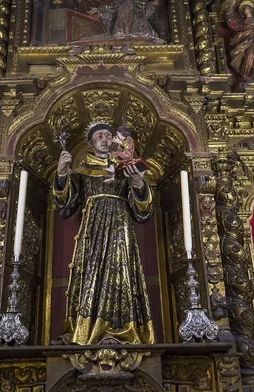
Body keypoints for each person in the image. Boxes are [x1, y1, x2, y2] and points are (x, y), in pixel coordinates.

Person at [52, 120, 155, 345]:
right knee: (91, 272)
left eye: (109, 136)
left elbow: (143, 210)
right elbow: (65, 204)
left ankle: (120, 328)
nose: (105, 140)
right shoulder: (82, 171)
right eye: (100, 136)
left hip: (120, 227)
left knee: (120, 272)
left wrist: (137, 180)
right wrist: (61, 172)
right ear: (90, 142)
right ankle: (85, 330)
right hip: (92, 229)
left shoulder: (124, 167)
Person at [87, 0, 164, 44]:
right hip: (121, 25)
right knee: (120, 39)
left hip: (137, 25)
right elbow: (112, 8)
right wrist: (99, 10)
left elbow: (145, 8)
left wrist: (152, 4)